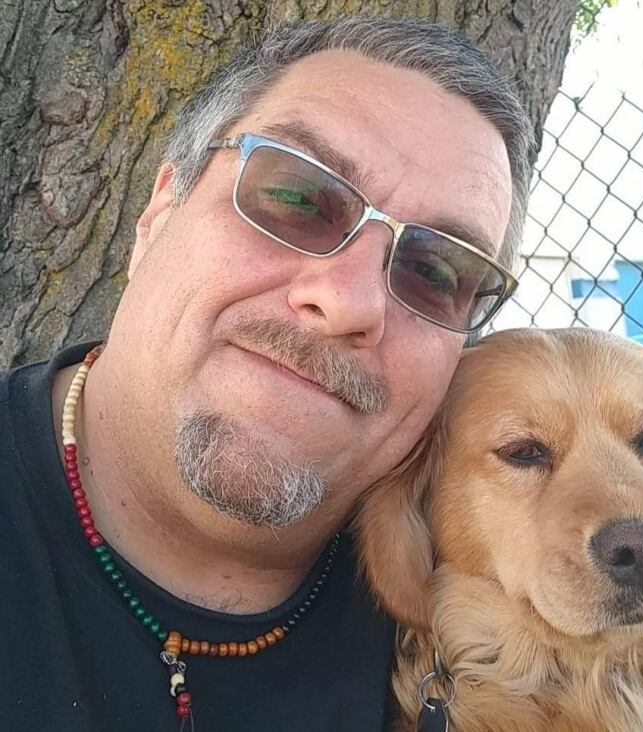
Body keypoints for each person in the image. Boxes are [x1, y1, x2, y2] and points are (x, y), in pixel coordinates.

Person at [0, 15, 532, 731]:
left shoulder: (494, 593)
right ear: (159, 213)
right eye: (297, 199)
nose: (350, 303)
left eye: (437, 270)